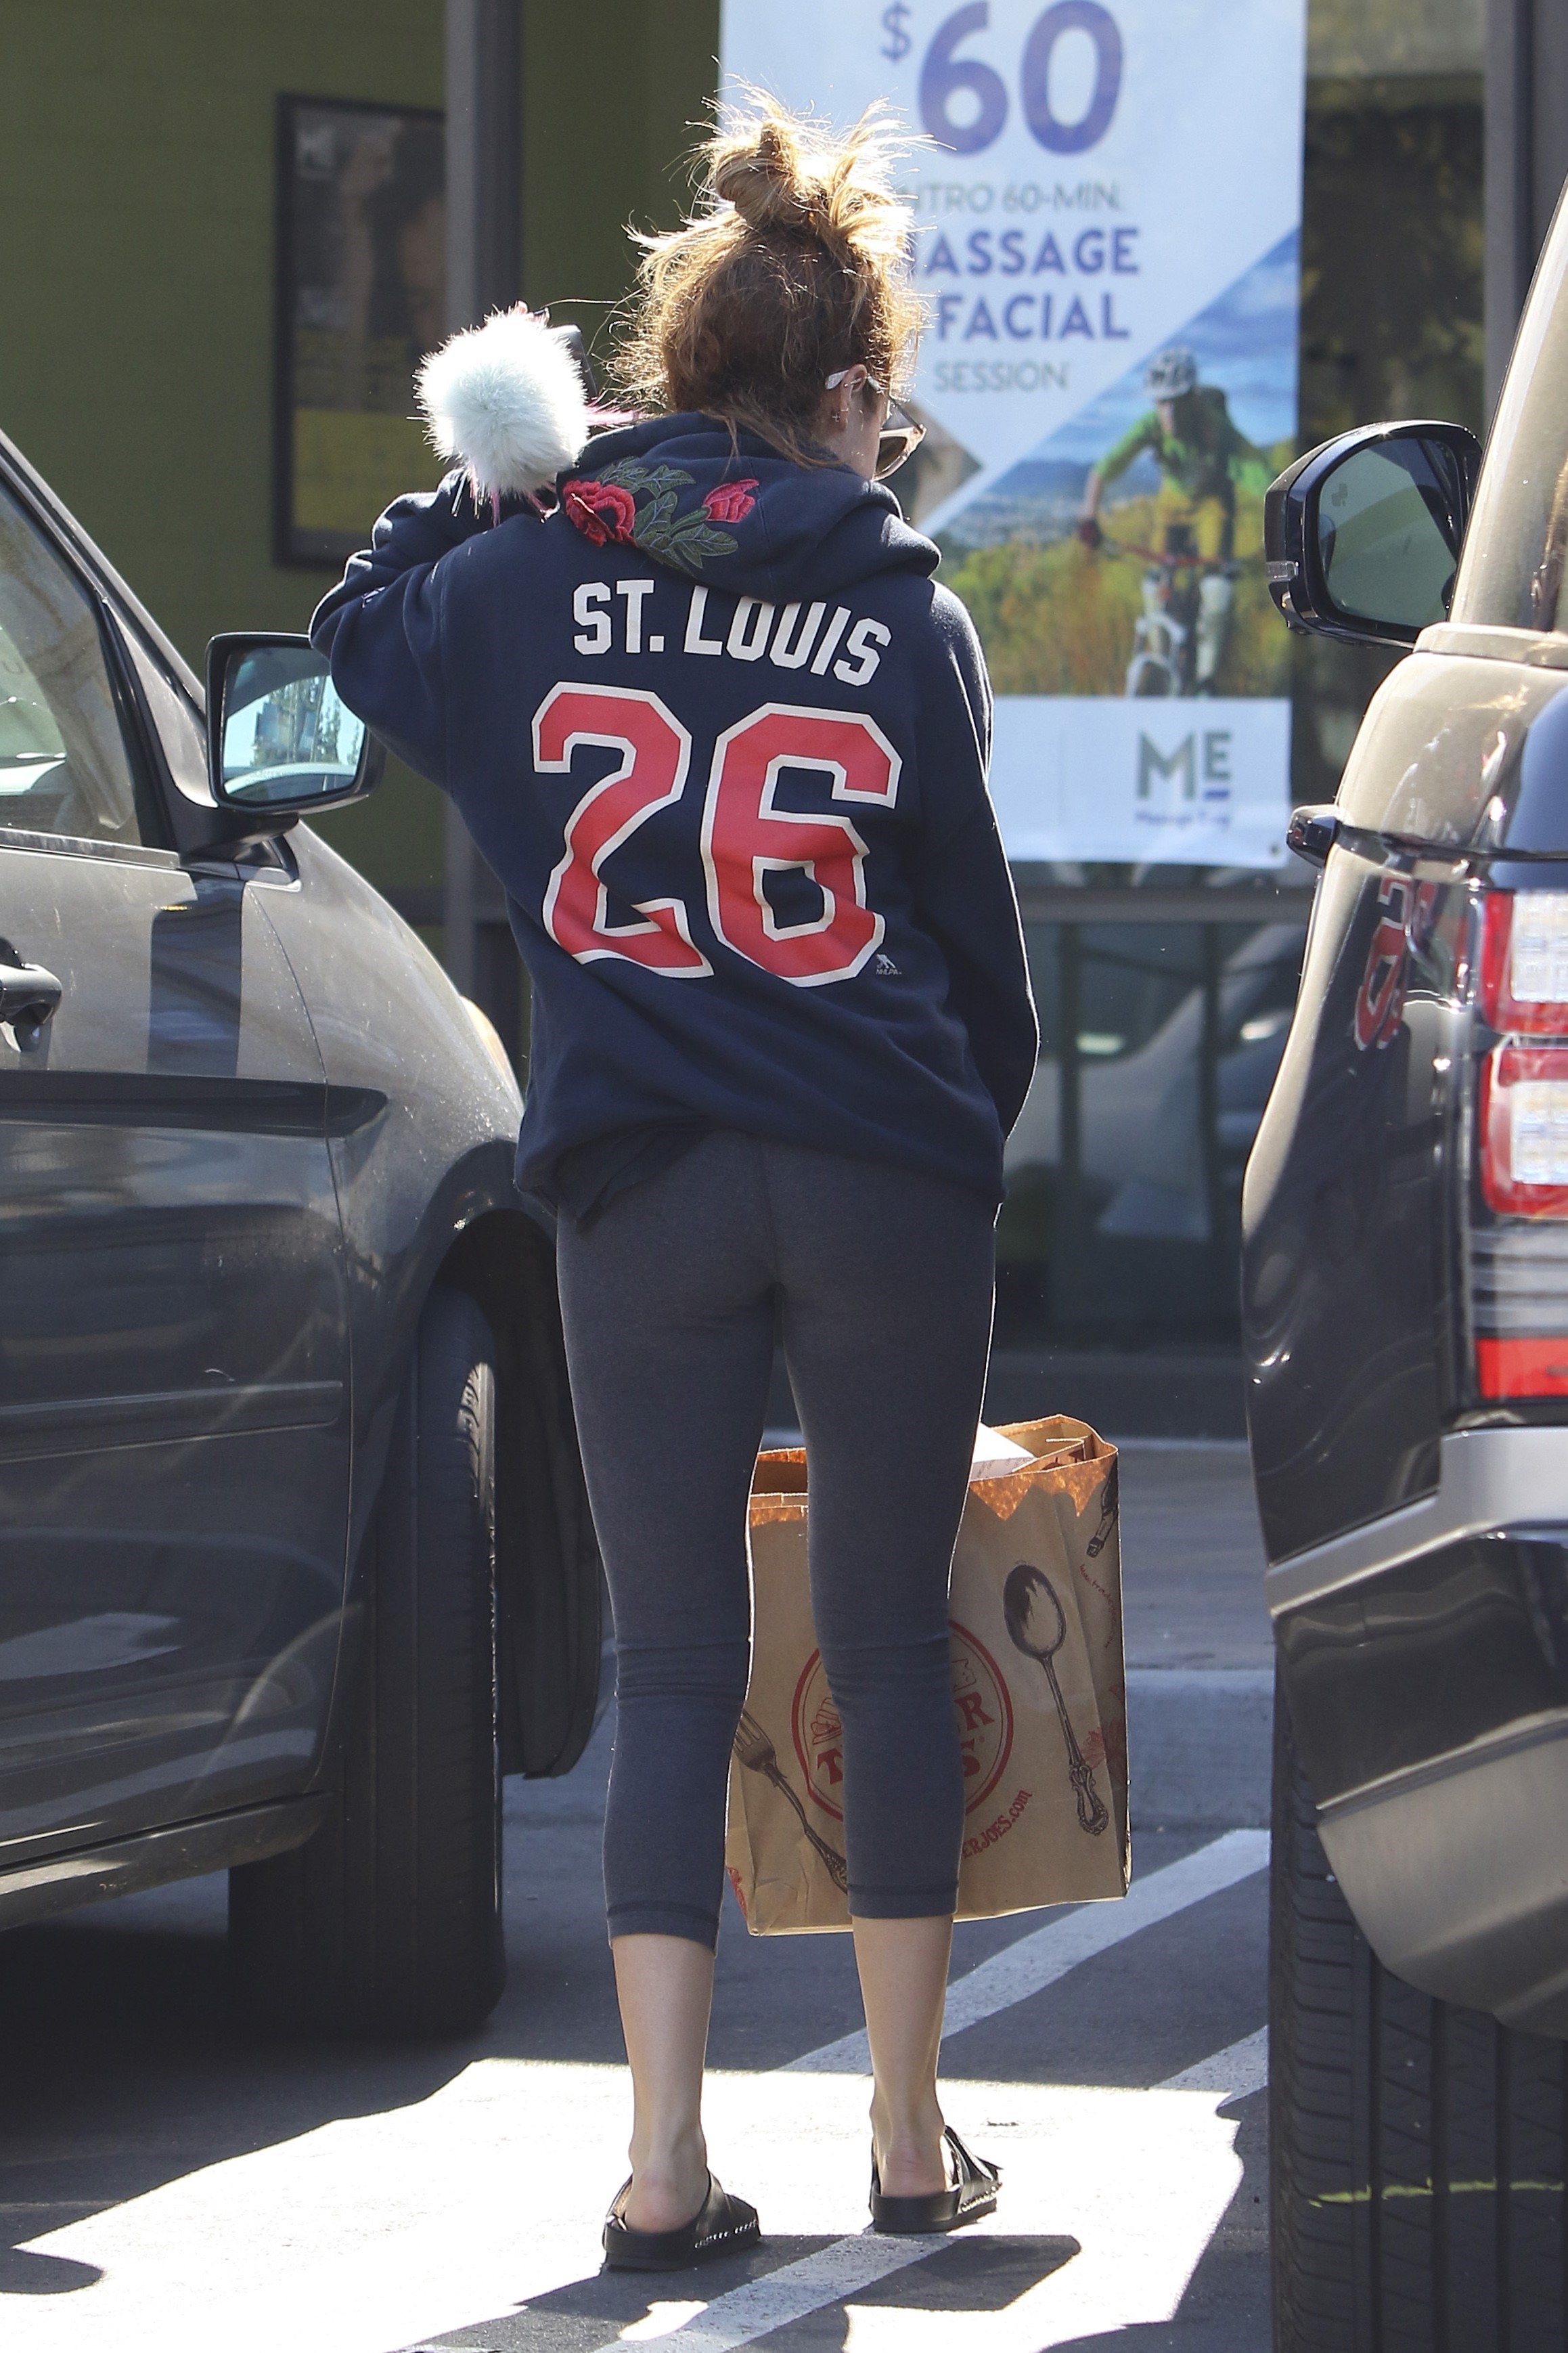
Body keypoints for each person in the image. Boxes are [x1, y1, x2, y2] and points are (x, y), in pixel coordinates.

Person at [311, 100, 1037, 2270]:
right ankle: (907, 2135)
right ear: (841, 395)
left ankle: (656, 2163)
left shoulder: (526, 577)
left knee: (673, 1662)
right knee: (890, 1643)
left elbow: (359, 621)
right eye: (883, 413)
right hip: (879, 1156)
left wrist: (505, 473)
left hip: (637, 1173)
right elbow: (978, 955)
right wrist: (946, 1140)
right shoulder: (900, 607)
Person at [1077, 346, 1265, 694]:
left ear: (1192, 399)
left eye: (1176, 402)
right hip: (1170, 508)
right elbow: (1105, 468)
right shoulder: (1150, 426)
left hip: (1212, 506)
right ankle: (1160, 661)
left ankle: (1207, 678)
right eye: (1161, 403)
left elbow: (1260, 475)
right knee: (1154, 583)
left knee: (1217, 589)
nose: (1169, 413)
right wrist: (1089, 514)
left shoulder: (1216, 429)